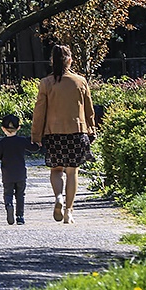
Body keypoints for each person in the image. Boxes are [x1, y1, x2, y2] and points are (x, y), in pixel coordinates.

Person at [31, 44, 96, 224]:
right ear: (69, 60)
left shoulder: (46, 83)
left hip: (53, 133)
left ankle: (58, 196)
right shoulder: (80, 81)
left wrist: (36, 135)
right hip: (76, 131)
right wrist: (92, 128)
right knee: (72, 171)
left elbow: (39, 111)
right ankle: (69, 210)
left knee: (56, 169)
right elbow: (89, 110)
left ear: (52, 61)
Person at [0, 114, 39, 225]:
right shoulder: (22, 141)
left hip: (7, 175)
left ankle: (9, 205)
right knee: (20, 195)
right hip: (21, 173)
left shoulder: (2, 143)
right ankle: (20, 217)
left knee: (8, 193)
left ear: (3, 128)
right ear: (18, 128)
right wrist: (38, 143)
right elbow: (33, 148)